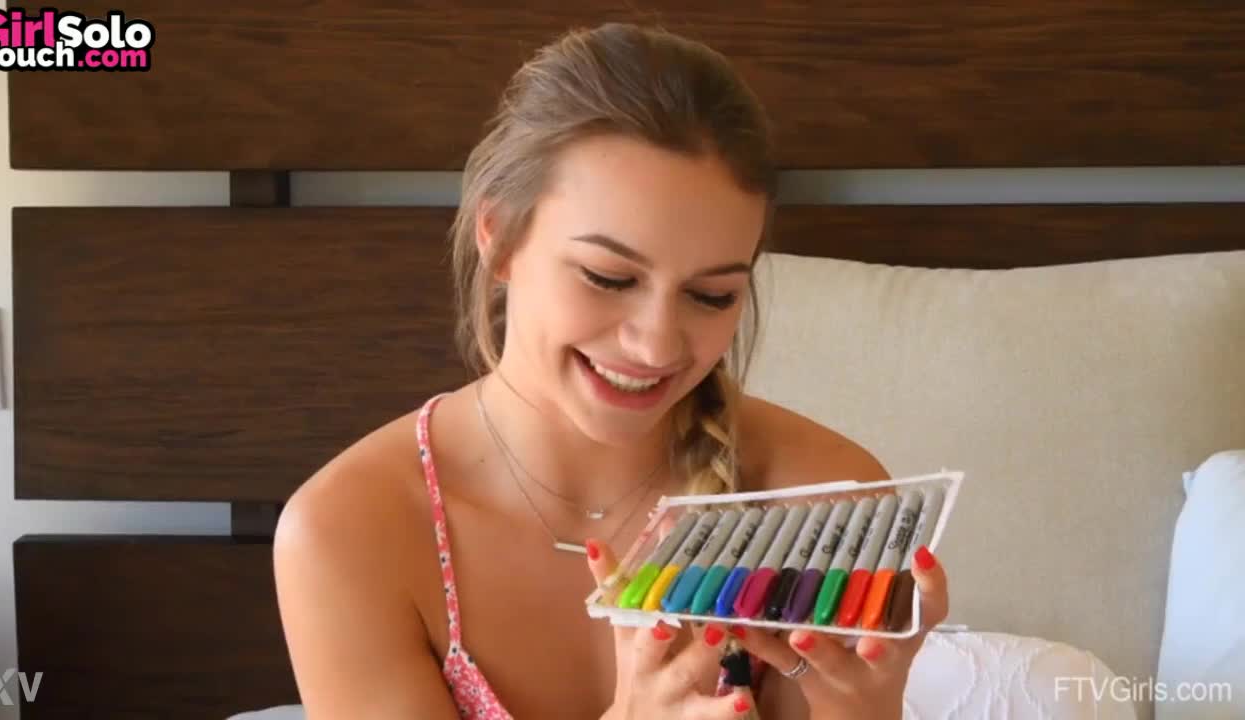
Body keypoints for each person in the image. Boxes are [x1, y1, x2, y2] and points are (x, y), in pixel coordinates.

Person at [273, 21, 948, 720]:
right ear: (498, 239)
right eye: (607, 277)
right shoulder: (351, 532)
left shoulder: (822, 501)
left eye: (711, 295)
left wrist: (864, 708)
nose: (655, 346)